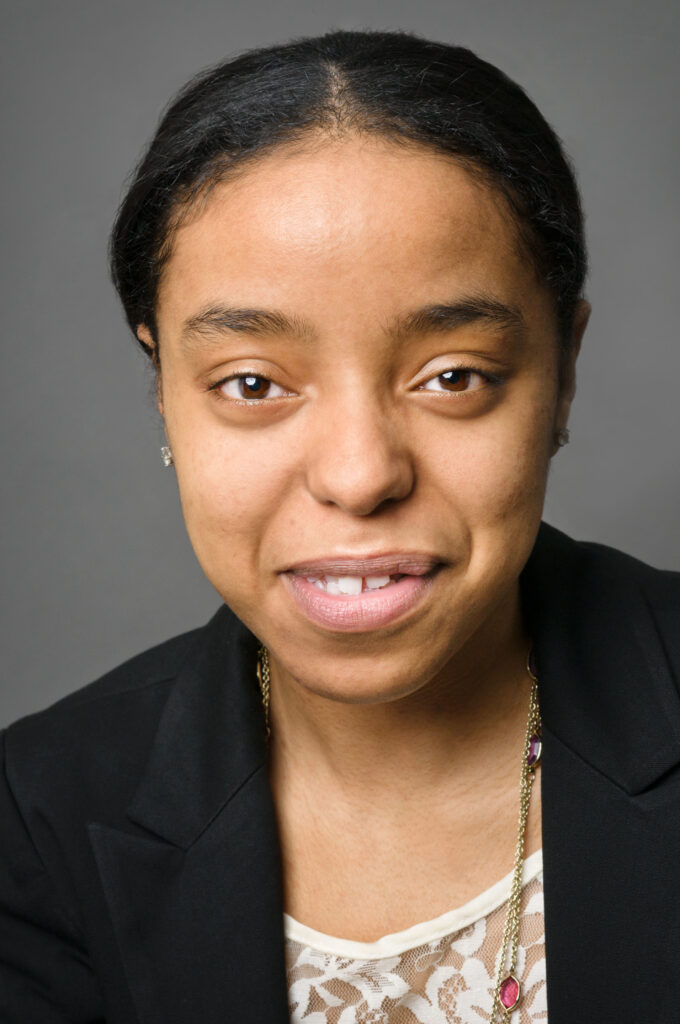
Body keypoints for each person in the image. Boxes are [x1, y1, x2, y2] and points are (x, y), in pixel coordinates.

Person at [1, 27, 678, 1024]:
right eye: (251, 384)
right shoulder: (37, 815)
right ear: (161, 392)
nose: (358, 476)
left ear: (562, 373)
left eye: (452, 377)